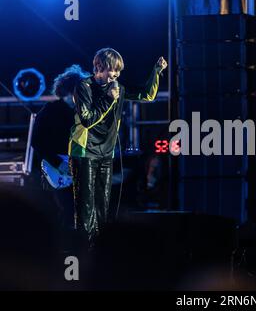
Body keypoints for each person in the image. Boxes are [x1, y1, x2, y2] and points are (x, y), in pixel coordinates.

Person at [68, 48, 168, 248]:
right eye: (112, 70)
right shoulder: (84, 87)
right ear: (99, 67)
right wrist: (108, 100)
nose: (115, 75)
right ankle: (83, 250)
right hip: (84, 151)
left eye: (118, 71)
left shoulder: (118, 88)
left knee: (102, 205)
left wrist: (156, 72)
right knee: (86, 206)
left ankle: (98, 249)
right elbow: (87, 120)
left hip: (106, 152)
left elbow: (146, 95)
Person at [32, 64, 90, 236]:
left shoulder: (82, 114)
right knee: (64, 212)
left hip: (77, 168)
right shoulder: (50, 111)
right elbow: (37, 142)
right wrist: (58, 163)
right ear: (70, 90)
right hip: (56, 170)